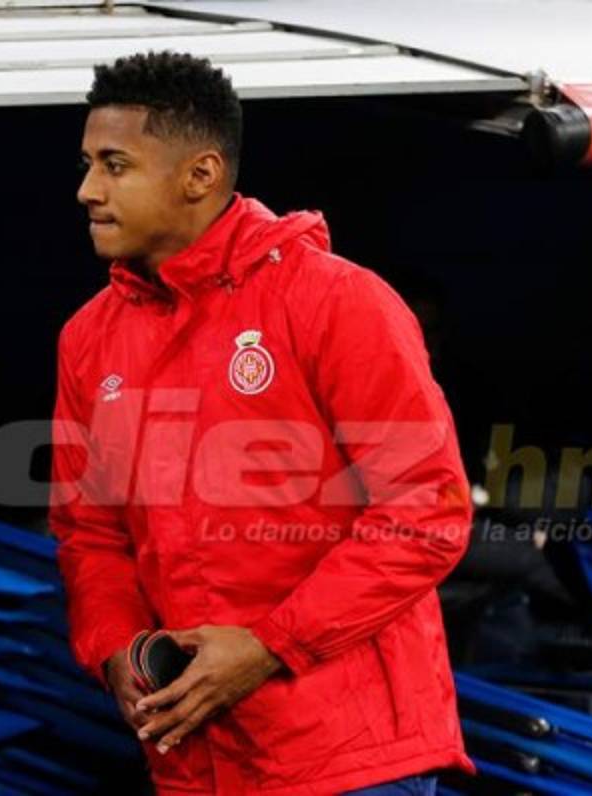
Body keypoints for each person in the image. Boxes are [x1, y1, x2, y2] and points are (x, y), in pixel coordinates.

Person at [49, 51, 475, 795]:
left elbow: (425, 512)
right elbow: (91, 531)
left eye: (115, 165)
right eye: (88, 165)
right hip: (194, 759)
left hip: (350, 759)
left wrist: (271, 646)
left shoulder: (337, 302)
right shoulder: (89, 337)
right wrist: (116, 647)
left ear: (200, 174)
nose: (88, 190)